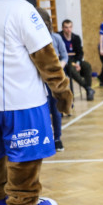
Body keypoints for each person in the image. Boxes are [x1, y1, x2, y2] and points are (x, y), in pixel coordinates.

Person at [36, 8, 64, 150]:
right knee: (43, 111)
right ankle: (45, 138)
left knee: (56, 110)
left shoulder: (55, 38)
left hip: (54, 80)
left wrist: (59, 67)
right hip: (39, 81)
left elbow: (64, 56)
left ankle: (57, 138)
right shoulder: (33, 40)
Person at [57, 19, 95, 101]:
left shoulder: (76, 38)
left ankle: (89, 90)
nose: (68, 29)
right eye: (66, 27)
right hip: (64, 60)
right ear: (62, 28)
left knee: (87, 66)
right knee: (71, 69)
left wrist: (78, 63)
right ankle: (88, 88)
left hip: (75, 59)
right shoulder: (58, 37)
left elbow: (80, 53)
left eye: (70, 27)